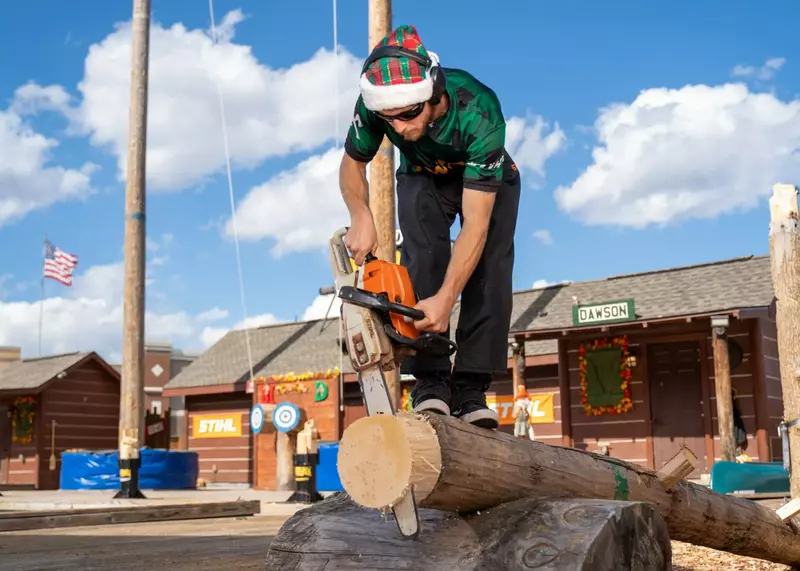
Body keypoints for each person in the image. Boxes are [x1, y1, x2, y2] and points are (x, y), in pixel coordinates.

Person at [339, 24, 521, 430]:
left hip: (487, 183)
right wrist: (360, 214)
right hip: (423, 175)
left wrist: (447, 297)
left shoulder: (479, 109)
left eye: (409, 114)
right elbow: (352, 164)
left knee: (489, 270)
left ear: (433, 93)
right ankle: (431, 382)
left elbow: (475, 224)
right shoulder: (373, 109)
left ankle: (471, 389)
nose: (399, 127)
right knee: (421, 257)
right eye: (390, 119)